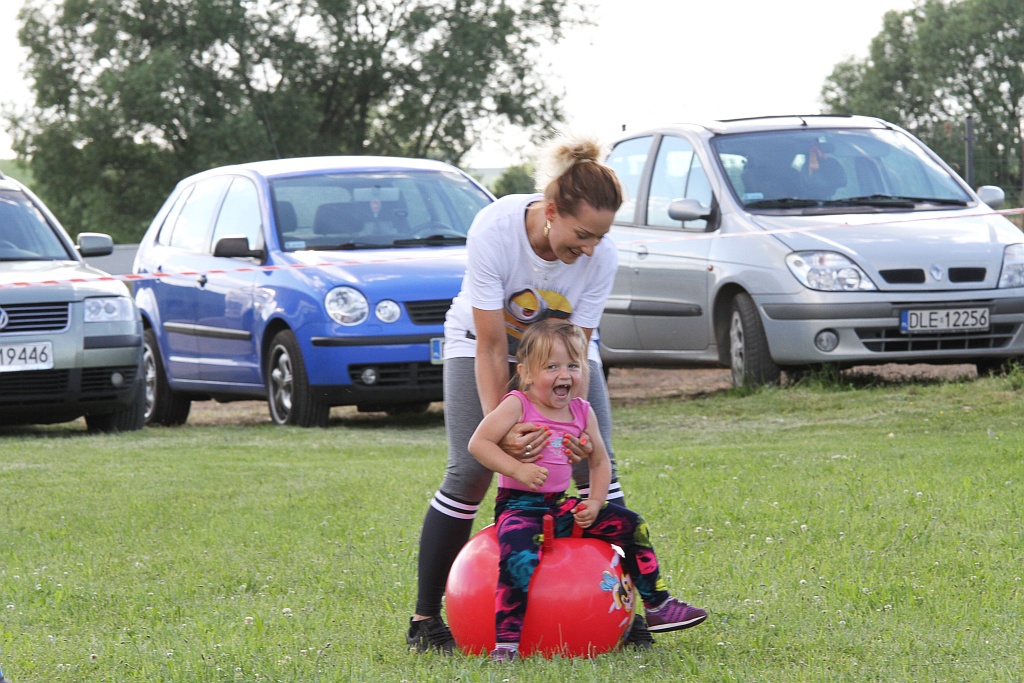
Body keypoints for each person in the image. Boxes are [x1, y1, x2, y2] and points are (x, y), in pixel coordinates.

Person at [408, 133, 644, 653]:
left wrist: (574, 425)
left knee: (594, 463)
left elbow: (577, 353)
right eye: (582, 235)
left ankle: (628, 613)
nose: (588, 249)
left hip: (565, 356)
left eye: (599, 239)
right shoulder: (496, 228)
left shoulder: (599, 259)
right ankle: (425, 622)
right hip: (481, 344)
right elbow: (494, 346)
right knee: (471, 468)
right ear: (552, 211)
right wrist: (508, 430)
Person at [469, 320, 708, 661]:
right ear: (526, 373)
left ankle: (658, 604)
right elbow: (479, 443)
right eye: (551, 366)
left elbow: (598, 461)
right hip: (518, 506)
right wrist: (516, 468)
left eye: (572, 365)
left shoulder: (582, 411)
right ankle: (506, 643)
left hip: (559, 505)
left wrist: (594, 501)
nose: (564, 374)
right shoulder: (517, 404)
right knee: (519, 558)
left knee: (631, 524)